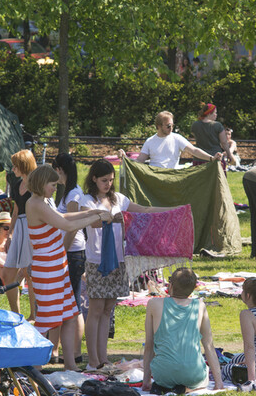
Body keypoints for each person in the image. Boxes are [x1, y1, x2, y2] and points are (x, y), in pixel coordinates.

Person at [80, 159, 170, 370]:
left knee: (108, 309)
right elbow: (89, 222)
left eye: (111, 180)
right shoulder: (87, 200)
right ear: (94, 179)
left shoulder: (119, 198)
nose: (108, 184)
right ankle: (92, 359)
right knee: (95, 309)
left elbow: (144, 211)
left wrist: (171, 210)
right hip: (97, 260)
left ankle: (103, 358)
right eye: (104, 180)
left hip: (118, 260)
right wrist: (112, 219)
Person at [25, 165, 110, 371]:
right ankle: (34, 370)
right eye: (52, 185)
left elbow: (62, 218)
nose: (56, 188)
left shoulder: (42, 201)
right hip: (48, 269)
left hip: (57, 266)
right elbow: (68, 226)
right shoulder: (35, 203)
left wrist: (93, 212)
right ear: (41, 183)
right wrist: (96, 217)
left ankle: (70, 366)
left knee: (70, 316)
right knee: (47, 320)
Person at [141, 268, 223, 393]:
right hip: (193, 374)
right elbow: (209, 345)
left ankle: (168, 387)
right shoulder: (200, 306)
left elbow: (149, 345)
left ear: (171, 285)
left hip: (163, 375)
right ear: (194, 288)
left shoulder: (154, 304)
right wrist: (219, 383)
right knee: (204, 374)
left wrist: (146, 380)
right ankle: (187, 389)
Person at [53, 153, 87, 360]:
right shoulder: (69, 191)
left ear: (59, 170)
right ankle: (71, 351)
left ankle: (75, 352)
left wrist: (62, 250)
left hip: (73, 252)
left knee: (73, 303)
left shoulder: (73, 194)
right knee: (70, 302)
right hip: (71, 251)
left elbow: (74, 225)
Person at [3, 149, 38, 315]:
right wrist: (9, 235)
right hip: (20, 229)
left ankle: (34, 314)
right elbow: (15, 212)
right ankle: (15, 314)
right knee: (8, 272)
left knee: (30, 273)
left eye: (15, 165)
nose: (13, 169)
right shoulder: (17, 185)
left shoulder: (36, 185)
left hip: (32, 228)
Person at [123, 111, 220, 168]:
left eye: (172, 125)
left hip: (172, 178)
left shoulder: (177, 138)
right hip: (154, 178)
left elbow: (194, 150)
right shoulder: (150, 141)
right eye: (168, 126)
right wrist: (125, 159)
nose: (171, 128)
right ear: (158, 126)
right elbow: (140, 160)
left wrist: (211, 158)